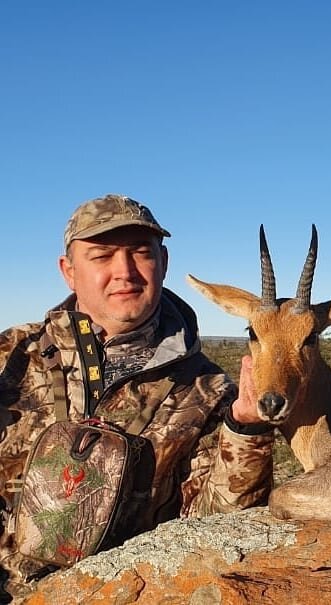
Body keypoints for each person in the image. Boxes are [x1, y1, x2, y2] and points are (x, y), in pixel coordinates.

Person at [0, 194, 273, 600]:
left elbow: (213, 531)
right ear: (68, 271)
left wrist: (246, 431)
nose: (124, 272)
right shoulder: (12, 353)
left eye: (140, 253)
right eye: (102, 256)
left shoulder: (210, 391)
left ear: (163, 263)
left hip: (117, 594)